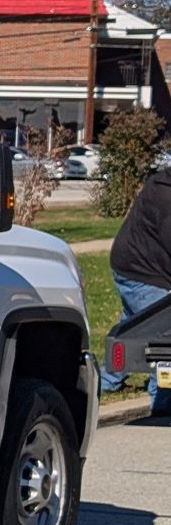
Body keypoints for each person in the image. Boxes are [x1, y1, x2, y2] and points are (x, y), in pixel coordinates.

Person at [99, 168, 171, 414]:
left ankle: (103, 382)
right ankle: (162, 404)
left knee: (134, 330)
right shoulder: (165, 195)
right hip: (144, 272)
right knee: (162, 340)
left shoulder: (160, 182)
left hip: (131, 265)